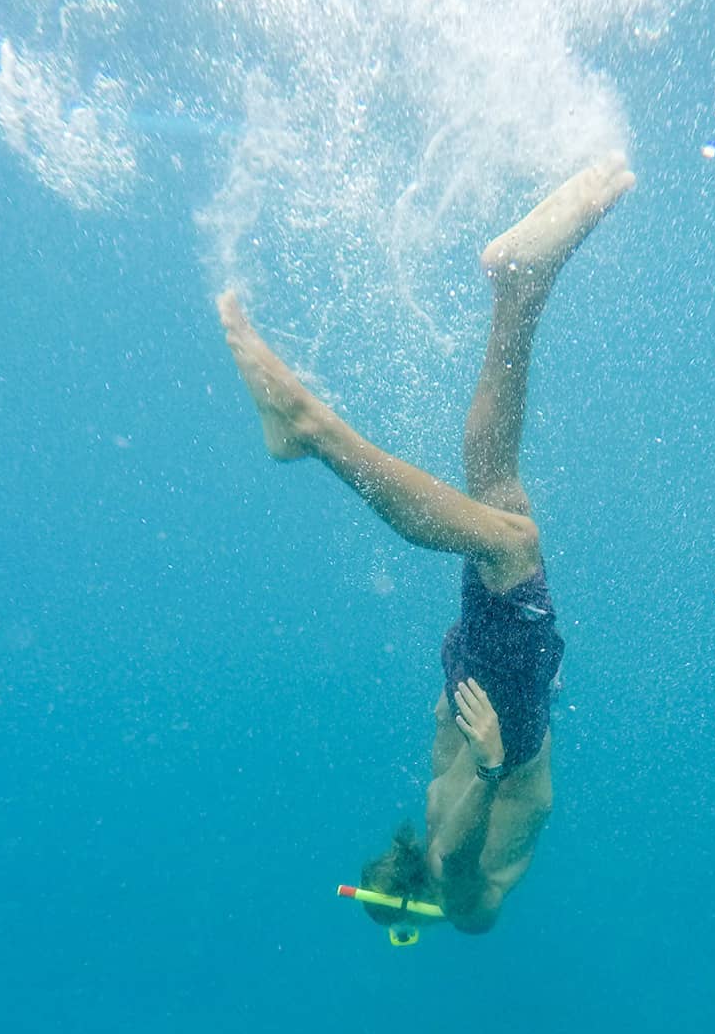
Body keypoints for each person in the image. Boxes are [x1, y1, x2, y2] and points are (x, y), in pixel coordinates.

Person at [218, 154, 635, 933]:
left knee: (511, 539)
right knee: (496, 488)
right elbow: (449, 828)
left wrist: (485, 762)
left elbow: (454, 866)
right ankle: (517, 289)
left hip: (502, 715)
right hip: (491, 682)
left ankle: (311, 431)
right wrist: (467, 699)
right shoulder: (447, 859)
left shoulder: (462, 900)